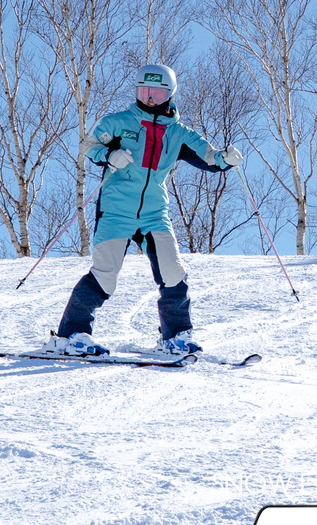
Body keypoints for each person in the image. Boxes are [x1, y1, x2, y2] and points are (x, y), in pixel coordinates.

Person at [47, 65, 243, 356]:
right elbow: (88, 145)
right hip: (116, 209)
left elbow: (210, 158)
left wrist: (226, 158)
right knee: (105, 274)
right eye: (144, 92)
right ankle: (71, 336)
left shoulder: (179, 133)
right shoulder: (117, 122)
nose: (150, 99)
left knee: (173, 272)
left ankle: (175, 337)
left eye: (157, 93)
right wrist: (109, 154)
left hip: (154, 212)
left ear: (170, 94)